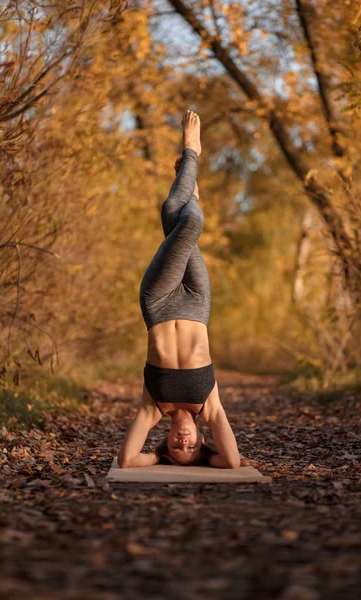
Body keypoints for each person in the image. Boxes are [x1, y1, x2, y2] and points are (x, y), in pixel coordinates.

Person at [117, 110, 241, 469]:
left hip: (157, 303)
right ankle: (191, 170)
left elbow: (126, 460)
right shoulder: (209, 406)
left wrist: (155, 460)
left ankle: (191, 162)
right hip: (197, 303)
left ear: (166, 444)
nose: (181, 444)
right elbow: (232, 462)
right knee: (179, 218)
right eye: (191, 449)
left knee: (182, 219)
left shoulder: (153, 408)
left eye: (174, 450)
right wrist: (207, 459)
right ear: (204, 440)